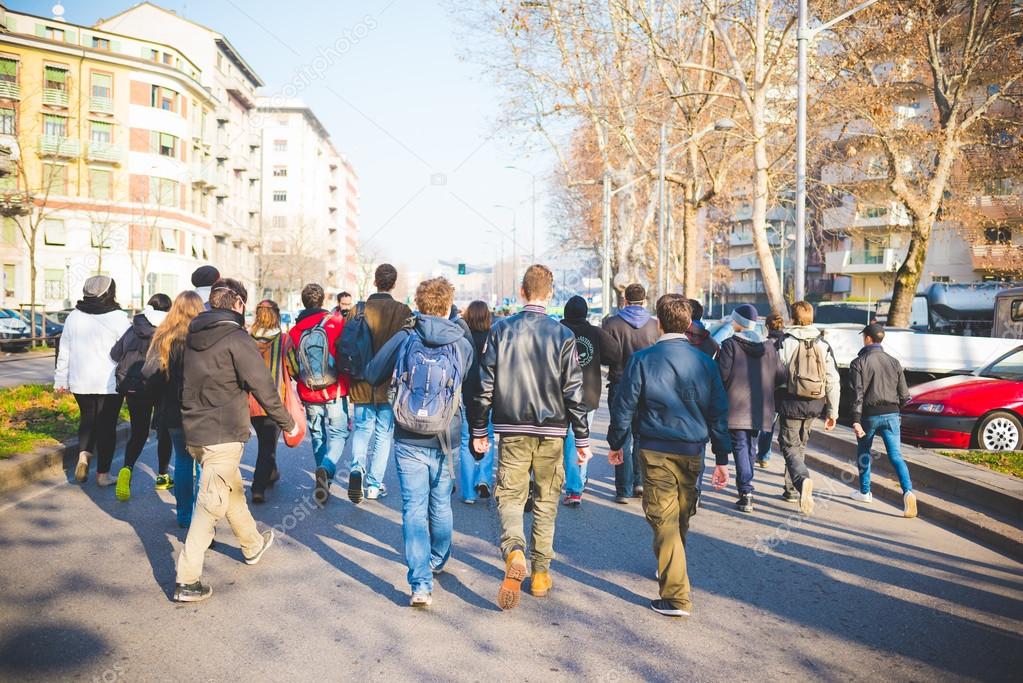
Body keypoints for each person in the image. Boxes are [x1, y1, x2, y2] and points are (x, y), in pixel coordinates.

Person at [472, 265, 590, 610]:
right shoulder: (563, 335)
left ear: (522, 292)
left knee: (509, 495)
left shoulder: (500, 330)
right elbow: (574, 392)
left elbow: (485, 385)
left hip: (511, 429)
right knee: (546, 501)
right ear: (550, 293)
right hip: (552, 430)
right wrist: (582, 440)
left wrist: (480, 430)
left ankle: (515, 551)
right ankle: (540, 573)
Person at [172, 278, 297, 603]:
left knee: (232, 491)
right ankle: (187, 579)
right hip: (223, 432)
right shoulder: (236, 339)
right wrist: (288, 423)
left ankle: (252, 544)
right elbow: (263, 386)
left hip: (196, 432)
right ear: (238, 305)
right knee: (210, 504)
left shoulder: (190, 336)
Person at [607, 296, 730, 618]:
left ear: (659, 323)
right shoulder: (705, 361)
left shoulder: (643, 359)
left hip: (655, 447)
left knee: (665, 517)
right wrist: (722, 457)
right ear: (688, 324)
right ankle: (670, 570)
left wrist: (617, 442)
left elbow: (624, 406)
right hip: (692, 448)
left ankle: (676, 596)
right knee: (679, 515)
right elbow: (718, 411)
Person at [364, 277, 474, 607]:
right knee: (440, 503)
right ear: (448, 304)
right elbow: (467, 383)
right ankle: (438, 559)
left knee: (413, 508)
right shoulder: (461, 342)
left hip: (408, 433)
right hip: (445, 434)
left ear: (420, 302)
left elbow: (372, 373)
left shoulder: (405, 336)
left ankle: (421, 585)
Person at [55, 276, 130, 487]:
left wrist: (60, 379)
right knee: (107, 426)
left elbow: (65, 350)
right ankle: (103, 474)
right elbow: (127, 350)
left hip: (80, 381)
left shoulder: (73, 317)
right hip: (110, 382)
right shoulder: (118, 317)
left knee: (87, 419)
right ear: (109, 292)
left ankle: (83, 456)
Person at [348, 264, 413, 503]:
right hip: (389, 383)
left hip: (361, 381)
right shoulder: (403, 310)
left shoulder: (358, 309)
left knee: (363, 429)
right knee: (384, 434)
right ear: (393, 284)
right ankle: (374, 485)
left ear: (375, 281)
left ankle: (356, 469)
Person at [143, 291, 205, 528]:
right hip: (200, 410)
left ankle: (183, 515)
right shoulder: (202, 337)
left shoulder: (164, 337)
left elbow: (149, 374)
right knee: (201, 463)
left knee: (181, 460)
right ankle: (201, 514)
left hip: (171, 410)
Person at [717, 304, 785, 513]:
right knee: (750, 446)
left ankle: (746, 491)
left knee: (740, 445)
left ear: (739, 322)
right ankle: (746, 488)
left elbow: (722, 375)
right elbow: (782, 375)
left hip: (736, 405)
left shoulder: (730, 345)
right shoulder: (769, 347)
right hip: (761, 406)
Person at [776, 301, 840, 516]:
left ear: (793, 319)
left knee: (787, 445)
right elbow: (832, 380)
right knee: (800, 444)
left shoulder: (785, 342)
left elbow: (776, 374)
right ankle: (791, 489)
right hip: (814, 402)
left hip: (790, 400)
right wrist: (833, 412)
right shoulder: (823, 343)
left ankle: (802, 481)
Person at [287, 283, 349, 505]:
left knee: (317, 434)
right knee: (340, 433)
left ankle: (323, 479)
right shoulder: (336, 323)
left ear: (303, 302)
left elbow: (292, 366)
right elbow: (345, 355)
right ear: (322, 300)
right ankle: (328, 466)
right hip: (335, 390)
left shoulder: (294, 332)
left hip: (309, 391)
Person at [849, 323, 917, 518]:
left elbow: (857, 394)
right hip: (892, 414)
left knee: (864, 451)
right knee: (896, 456)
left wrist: (855, 419)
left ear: (868, 339)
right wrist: (894, 410)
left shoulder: (858, 363)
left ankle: (864, 492)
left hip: (870, 415)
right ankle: (908, 492)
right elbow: (904, 395)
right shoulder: (894, 362)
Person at [110, 293, 172, 501]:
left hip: (135, 387)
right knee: (164, 432)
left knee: (138, 433)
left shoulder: (134, 327)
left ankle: (126, 469)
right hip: (162, 387)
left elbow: (115, 354)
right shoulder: (169, 330)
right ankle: (163, 476)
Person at [560, 295, 620, 507]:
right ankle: (576, 486)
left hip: (559, 394)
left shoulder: (558, 330)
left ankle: (565, 482)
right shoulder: (595, 333)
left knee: (560, 440)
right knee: (580, 439)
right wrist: (597, 358)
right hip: (588, 393)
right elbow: (615, 353)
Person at [601, 283, 659, 504]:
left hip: (620, 383)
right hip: (648, 386)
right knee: (642, 434)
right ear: (644, 301)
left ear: (625, 300)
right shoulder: (654, 326)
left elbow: (606, 357)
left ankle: (623, 490)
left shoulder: (612, 323)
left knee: (621, 434)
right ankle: (640, 481)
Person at [250, 300, 294, 504]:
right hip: (274, 400)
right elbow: (294, 368)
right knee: (267, 446)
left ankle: (271, 473)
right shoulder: (284, 340)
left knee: (265, 441)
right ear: (276, 315)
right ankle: (258, 487)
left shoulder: (247, 339)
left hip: (250, 401)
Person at [459, 300, 495, 504]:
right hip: (488, 396)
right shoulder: (493, 338)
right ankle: (483, 479)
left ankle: (468, 493)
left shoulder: (463, 339)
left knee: (466, 441)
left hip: (466, 394)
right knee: (487, 437)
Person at [757, 312, 786, 467]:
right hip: (788, 389)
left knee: (768, 425)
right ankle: (790, 462)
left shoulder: (764, 344)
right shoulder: (788, 342)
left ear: (767, 326)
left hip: (770, 389)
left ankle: (763, 456)